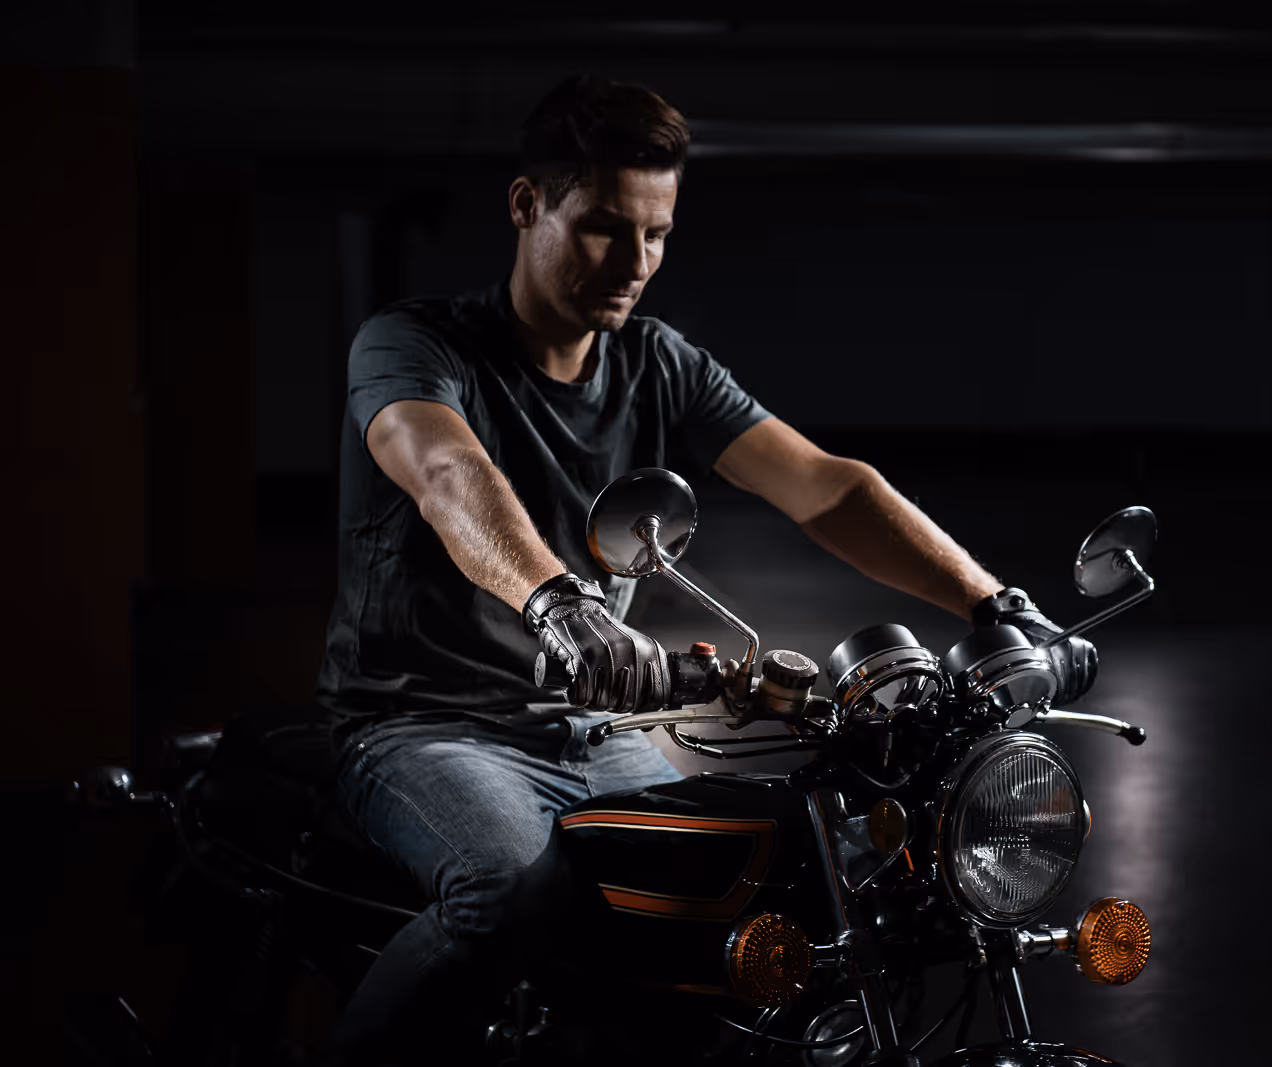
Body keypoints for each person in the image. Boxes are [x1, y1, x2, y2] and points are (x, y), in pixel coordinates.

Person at [316, 75, 1066, 1064]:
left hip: (587, 727)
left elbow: (827, 487)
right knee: (503, 891)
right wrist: (561, 605)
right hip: (418, 724)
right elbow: (452, 473)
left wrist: (997, 605)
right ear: (526, 205)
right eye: (603, 227)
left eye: (657, 234)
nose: (635, 262)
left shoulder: (657, 364)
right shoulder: (414, 346)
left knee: (765, 868)